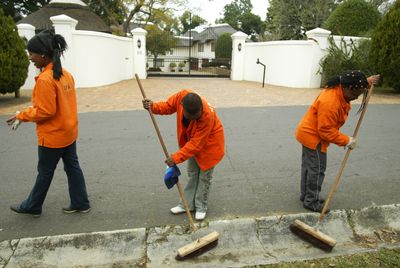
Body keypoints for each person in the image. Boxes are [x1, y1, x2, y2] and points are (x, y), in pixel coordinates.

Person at [6, 30, 90, 217]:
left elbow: (45, 111)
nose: (30, 58)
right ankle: (81, 202)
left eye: (32, 54)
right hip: (68, 132)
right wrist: (26, 113)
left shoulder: (45, 79)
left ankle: (32, 206)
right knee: (72, 167)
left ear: (43, 55)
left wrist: (22, 115)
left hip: (52, 136)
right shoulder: (65, 75)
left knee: (44, 172)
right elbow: (52, 105)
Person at [295, 70, 380, 213]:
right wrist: (347, 141)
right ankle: (311, 201)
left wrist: (368, 81)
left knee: (309, 168)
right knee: (317, 170)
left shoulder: (344, 85)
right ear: (346, 88)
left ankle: (307, 195)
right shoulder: (331, 102)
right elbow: (326, 131)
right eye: (354, 95)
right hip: (313, 137)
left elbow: (356, 81)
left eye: (358, 95)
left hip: (307, 132)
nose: (355, 98)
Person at [143, 90, 225, 220]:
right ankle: (187, 205)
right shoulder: (182, 96)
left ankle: (201, 206)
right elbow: (168, 106)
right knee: (193, 174)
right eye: (191, 117)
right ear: (182, 107)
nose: (194, 119)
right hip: (191, 142)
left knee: (204, 178)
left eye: (196, 117)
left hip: (210, 146)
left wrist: (175, 158)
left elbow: (196, 144)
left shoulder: (207, 116)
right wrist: (152, 106)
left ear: (200, 110)